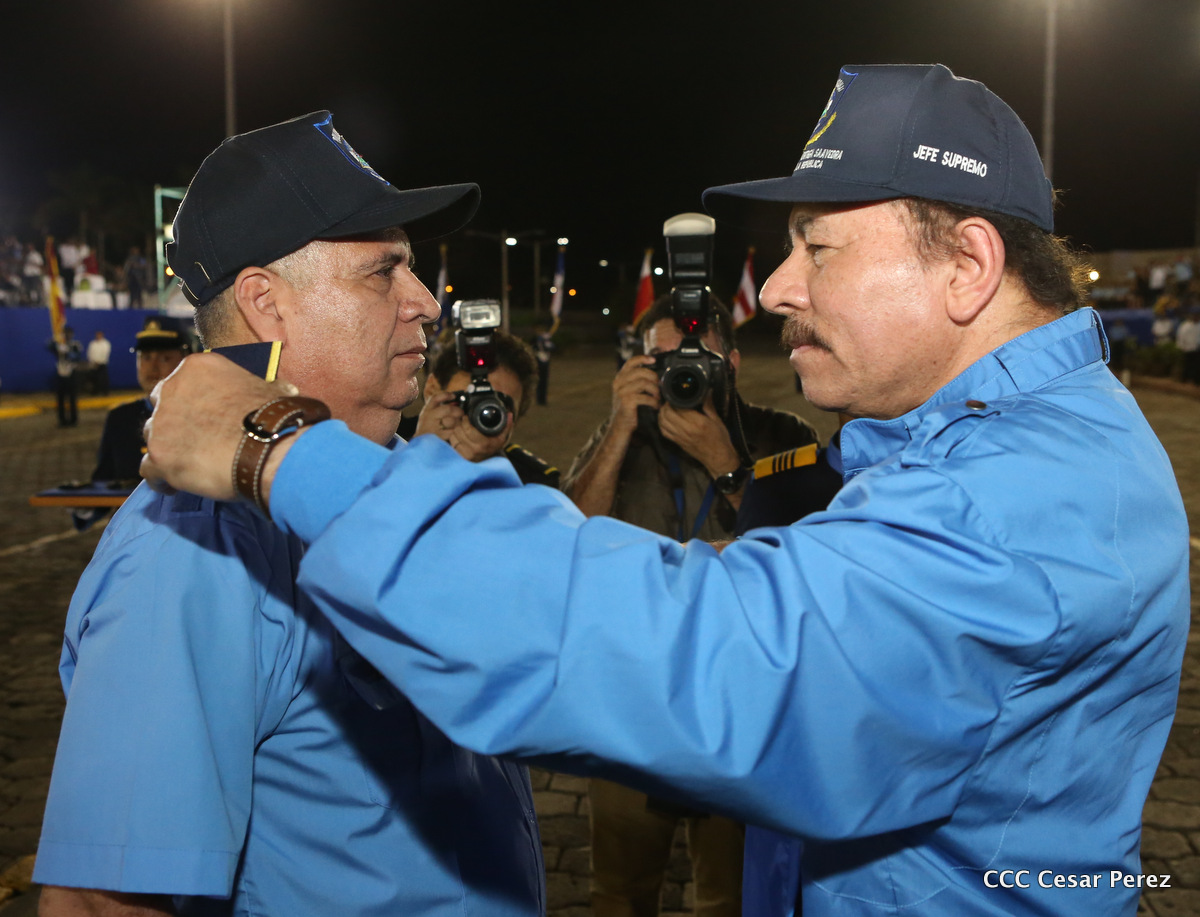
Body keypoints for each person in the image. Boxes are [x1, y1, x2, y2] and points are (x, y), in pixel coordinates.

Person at [142, 65, 1189, 917]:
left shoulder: (1016, 496)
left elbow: (708, 664)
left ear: (967, 265)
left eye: (816, 245)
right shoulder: (998, 445)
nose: (779, 285)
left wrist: (280, 451)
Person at [36, 111, 545, 917]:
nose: (426, 303)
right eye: (383, 272)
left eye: (413, 271)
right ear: (265, 303)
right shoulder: (196, 547)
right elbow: (105, 901)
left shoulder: (382, 475)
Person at [564, 294, 818, 917]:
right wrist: (620, 427)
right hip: (634, 698)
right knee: (620, 892)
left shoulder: (781, 435)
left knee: (732, 895)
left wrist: (726, 464)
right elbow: (565, 539)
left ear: (732, 362)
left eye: (696, 357)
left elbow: (807, 558)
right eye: (662, 361)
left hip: (741, 699)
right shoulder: (625, 436)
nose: (681, 372)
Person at [412, 328, 559, 486]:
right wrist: (421, 454)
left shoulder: (531, 483)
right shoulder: (392, 450)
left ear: (514, 421)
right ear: (432, 390)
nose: (479, 416)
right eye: (469, 400)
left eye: (496, 409)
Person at [47, 326, 82, 426]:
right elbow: (48, 346)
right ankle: (62, 420)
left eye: (69, 333)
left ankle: (73, 419)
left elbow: (77, 357)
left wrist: (67, 351)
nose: (67, 335)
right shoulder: (59, 345)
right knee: (60, 398)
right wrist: (55, 339)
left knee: (72, 398)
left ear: (72, 334)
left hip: (71, 372)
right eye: (65, 333)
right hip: (60, 372)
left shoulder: (75, 344)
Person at [1176, 308, 1200, 385]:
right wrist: (1181, 346)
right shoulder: (1185, 326)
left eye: (1197, 315)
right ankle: (1184, 379)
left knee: (1197, 366)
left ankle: (1196, 381)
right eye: (1194, 315)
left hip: (1197, 349)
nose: (1195, 317)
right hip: (1187, 348)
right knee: (1187, 364)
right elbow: (1180, 336)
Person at [85, 329, 113, 396]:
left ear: (102, 335)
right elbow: (89, 353)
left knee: (103, 378)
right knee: (94, 379)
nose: (98, 336)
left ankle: (105, 392)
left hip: (102, 363)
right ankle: (95, 392)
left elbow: (105, 353)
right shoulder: (92, 343)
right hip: (93, 364)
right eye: (97, 334)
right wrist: (93, 361)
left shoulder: (106, 343)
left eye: (100, 334)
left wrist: (99, 361)